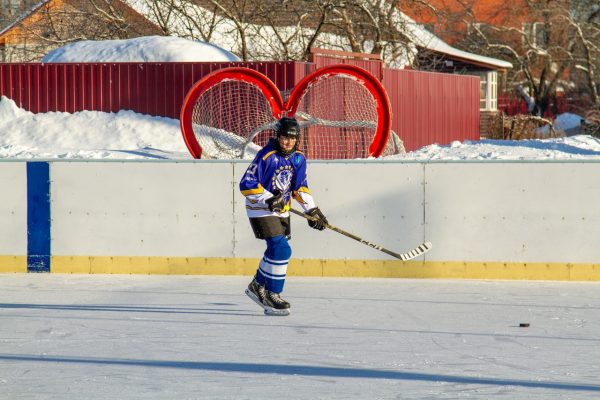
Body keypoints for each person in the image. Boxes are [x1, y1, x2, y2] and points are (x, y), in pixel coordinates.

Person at [239, 116, 328, 315]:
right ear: (277, 136)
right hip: (260, 207)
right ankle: (273, 294)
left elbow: (299, 187)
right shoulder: (267, 155)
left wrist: (311, 210)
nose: (288, 141)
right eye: (284, 137)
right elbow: (247, 184)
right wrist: (269, 198)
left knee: (275, 251)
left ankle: (257, 285)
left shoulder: (298, 158)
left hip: (282, 209)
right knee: (281, 250)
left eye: (292, 138)